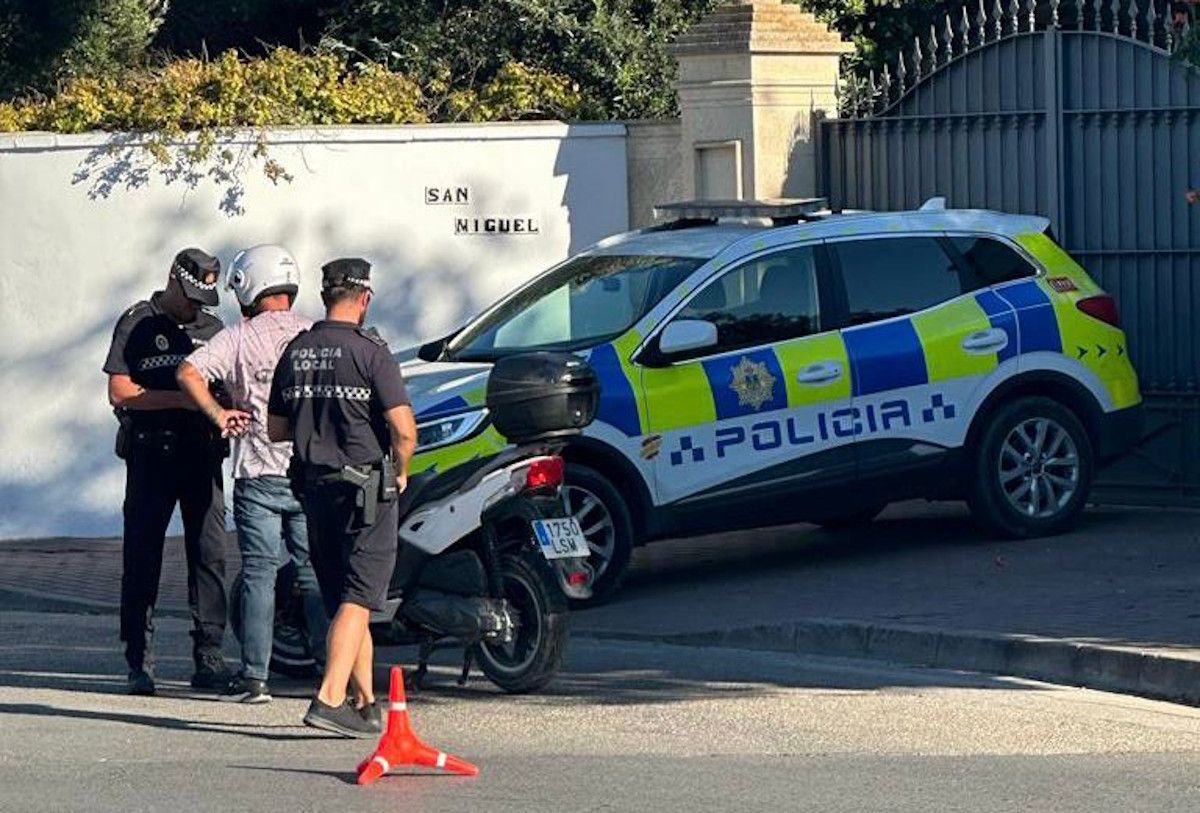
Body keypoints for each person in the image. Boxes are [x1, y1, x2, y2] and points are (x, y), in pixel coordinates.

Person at [267, 258, 417, 737]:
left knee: (346, 599)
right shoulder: (371, 352)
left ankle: (365, 701)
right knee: (361, 594)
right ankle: (330, 698)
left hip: (314, 488)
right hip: (366, 488)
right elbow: (404, 430)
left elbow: (275, 429)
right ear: (365, 297)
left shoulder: (298, 349)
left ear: (325, 296)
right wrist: (402, 472)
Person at [177, 244, 328, 704]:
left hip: (257, 472)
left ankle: (256, 677)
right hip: (310, 471)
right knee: (314, 572)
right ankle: (330, 672)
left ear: (247, 286)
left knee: (260, 574)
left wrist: (220, 415)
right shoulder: (315, 333)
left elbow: (188, 373)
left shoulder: (239, 337)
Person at [104, 248, 232, 696]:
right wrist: (185, 399)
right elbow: (120, 391)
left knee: (210, 555)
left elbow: (231, 392)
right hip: (151, 454)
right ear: (173, 281)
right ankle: (139, 660)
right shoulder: (138, 321)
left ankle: (210, 656)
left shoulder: (213, 330)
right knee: (142, 557)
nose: (196, 307)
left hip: (201, 455)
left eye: (204, 299)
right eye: (192, 296)